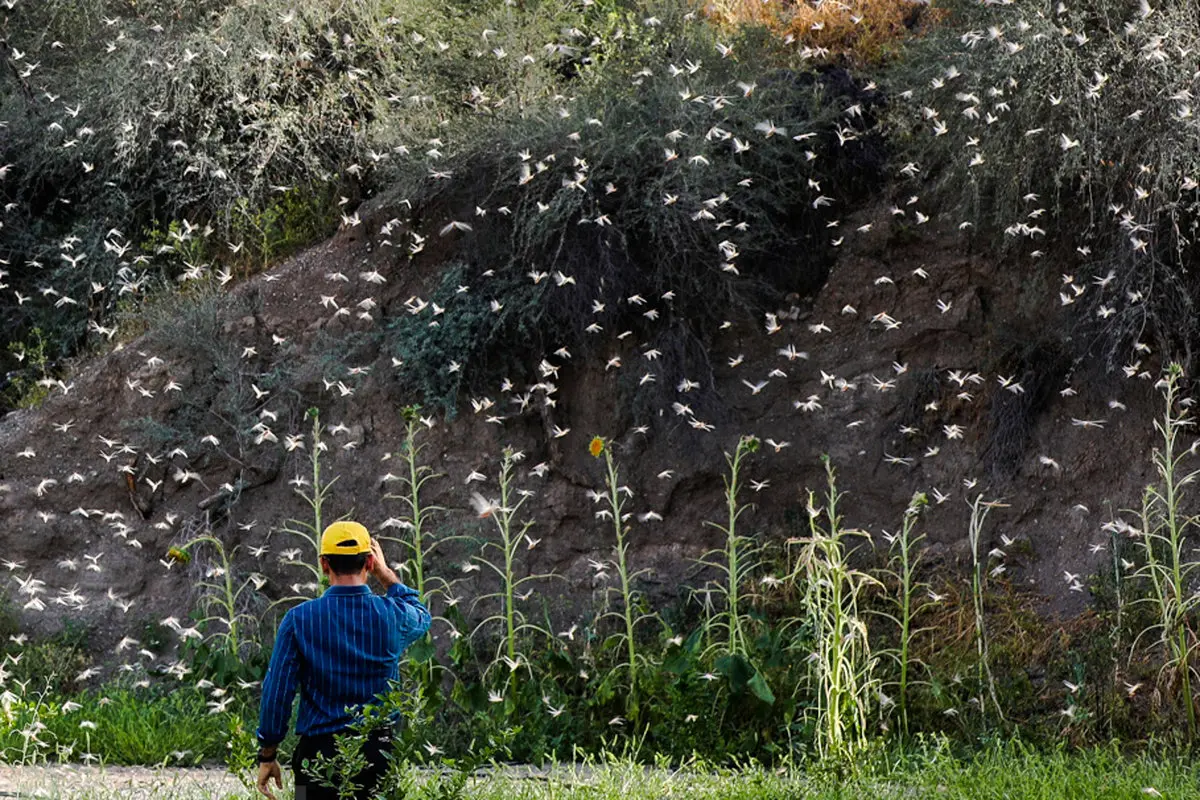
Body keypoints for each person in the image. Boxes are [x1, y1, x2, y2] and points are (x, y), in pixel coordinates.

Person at [255, 520, 431, 800]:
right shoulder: (392, 615)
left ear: (324, 564)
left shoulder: (298, 620)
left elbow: (277, 692)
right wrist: (387, 576)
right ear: (370, 562)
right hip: (380, 754)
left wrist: (267, 754)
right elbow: (421, 614)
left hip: (316, 758)